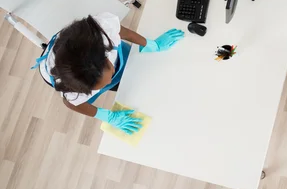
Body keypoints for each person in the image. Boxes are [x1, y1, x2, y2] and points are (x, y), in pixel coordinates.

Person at [32, 13, 185, 134]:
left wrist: (152, 45)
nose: (111, 79)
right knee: (121, 82)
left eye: (111, 74)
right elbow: (72, 104)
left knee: (127, 64)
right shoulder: (74, 90)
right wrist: (108, 117)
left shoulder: (103, 29)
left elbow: (123, 32)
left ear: (107, 57)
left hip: (85, 44)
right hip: (65, 72)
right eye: (102, 86)